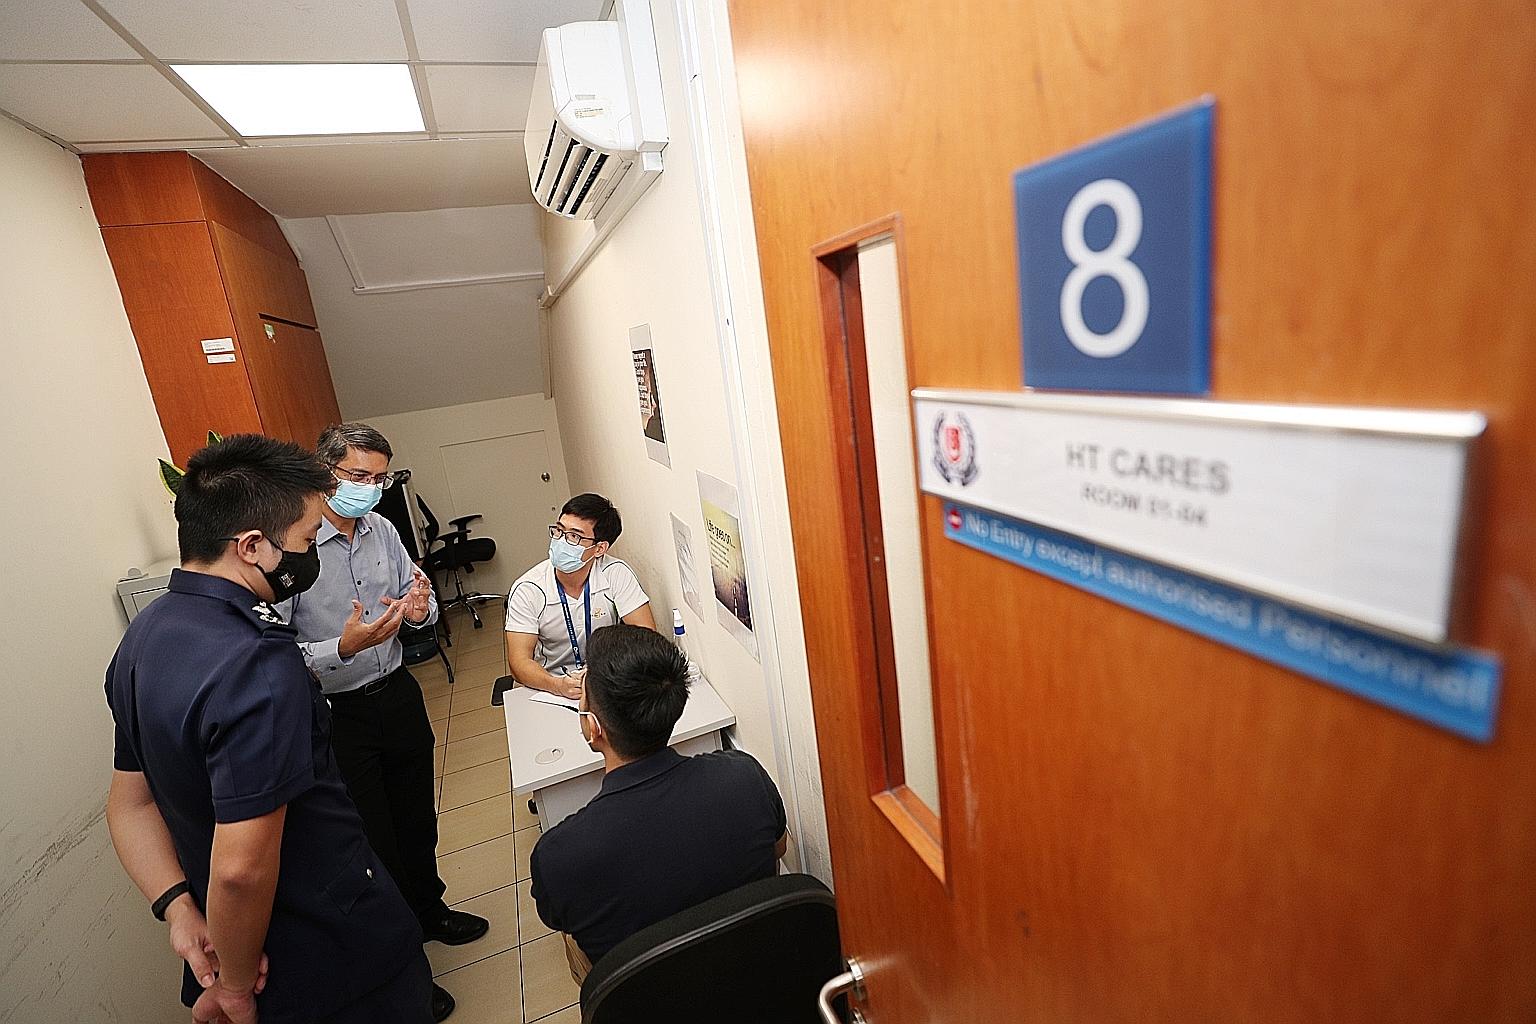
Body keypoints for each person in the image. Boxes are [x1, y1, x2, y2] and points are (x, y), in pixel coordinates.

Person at [104, 434, 431, 1024]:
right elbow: (240, 867)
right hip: (320, 952)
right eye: (305, 540)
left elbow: (130, 805)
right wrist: (232, 986)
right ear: (253, 546)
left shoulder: (145, 637)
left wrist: (179, 908)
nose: (310, 553)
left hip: (227, 937)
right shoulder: (259, 664)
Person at [276, 423, 487, 1024]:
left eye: (379, 477)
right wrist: (337, 648)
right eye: (357, 477)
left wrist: (422, 614)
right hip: (337, 713)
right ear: (325, 475)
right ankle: (402, 962)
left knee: (417, 815)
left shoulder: (384, 530)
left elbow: (412, 608)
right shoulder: (293, 546)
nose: (370, 489)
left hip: (396, 694)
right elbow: (273, 650)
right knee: (373, 840)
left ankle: (431, 910)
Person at [529, 625, 789, 981]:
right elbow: (778, 848)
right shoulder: (744, 777)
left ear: (593, 727)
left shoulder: (559, 854)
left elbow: (560, 919)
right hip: (762, 980)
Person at [505, 493, 657, 699]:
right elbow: (518, 663)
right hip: (547, 682)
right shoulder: (528, 589)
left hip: (605, 677)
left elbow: (646, 635)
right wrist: (557, 686)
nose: (561, 541)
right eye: (559, 530)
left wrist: (606, 673)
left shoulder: (615, 574)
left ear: (600, 548)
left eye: (574, 536)